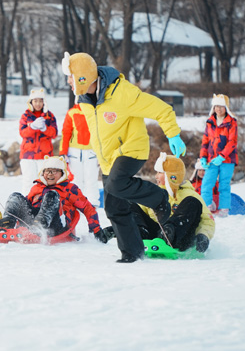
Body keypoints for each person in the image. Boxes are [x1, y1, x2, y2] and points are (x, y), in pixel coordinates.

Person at [61, 51, 186, 263]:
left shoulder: (122, 94)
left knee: (116, 185)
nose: (68, 82)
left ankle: (159, 198)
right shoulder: (83, 101)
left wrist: (173, 133)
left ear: (83, 78)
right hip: (109, 159)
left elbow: (161, 109)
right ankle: (132, 253)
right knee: (113, 208)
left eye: (71, 77)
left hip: (131, 150)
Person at [0, 155, 105, 242]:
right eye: (47, 171)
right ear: (42, 173)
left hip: (56, 224)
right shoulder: (37, 187)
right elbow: (25, 205)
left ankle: (39, 227)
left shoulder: (70, 189)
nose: (50, 174)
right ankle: (7, 228)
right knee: (15, 197)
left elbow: (87, 207)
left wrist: (96, 230)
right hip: (31, 222)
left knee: (51, 195)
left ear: (62, 174)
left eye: (55, 171)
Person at [132, 153, 214, 252]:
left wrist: (203, 236)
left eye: (160, 172)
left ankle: (168, 233)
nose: (156, 176)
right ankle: (140, 233)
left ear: (171, 176)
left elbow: (207, 219)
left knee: (192, 202)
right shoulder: (153, 194)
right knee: (130, 205)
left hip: (180, 238)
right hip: (156, 236)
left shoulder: (189, 194)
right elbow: (139, 213)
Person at [199, 93, 238, 218]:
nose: (218, 109)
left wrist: (222, 156)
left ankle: (224, 209)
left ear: (226, 107)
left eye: (221, 107)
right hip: (211, 160)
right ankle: (207, 207)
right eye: (216, 106)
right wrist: (203, 157)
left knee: (223, 184)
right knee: (206, 183)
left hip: (227, 160)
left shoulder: (231, 122)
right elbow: (205, 141)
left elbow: (232, 142)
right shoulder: (210, 122)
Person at [59, 103, 100, 207]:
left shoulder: (96, 111)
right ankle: (76, 202)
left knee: (91, 179)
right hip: (74, 152)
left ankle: (92, 203)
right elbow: (66, 132)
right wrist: (63, 152)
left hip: (92, 151)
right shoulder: (72, 112)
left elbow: (101, 133)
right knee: (76, 179)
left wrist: (101, 152)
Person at [19, 88, 58, 194]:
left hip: (44, 155)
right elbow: (22, 133)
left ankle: (43, 204)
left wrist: (45, 129)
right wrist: (32, 127)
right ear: (31, 102)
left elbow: (54, 133)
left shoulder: (49, 116)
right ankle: (27, 204)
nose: (38, 104)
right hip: (28, 156)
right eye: (35, 101)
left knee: (45, 182)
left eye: (40, 101)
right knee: (28, 181)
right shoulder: (26, 116)